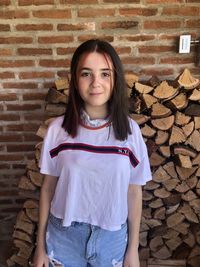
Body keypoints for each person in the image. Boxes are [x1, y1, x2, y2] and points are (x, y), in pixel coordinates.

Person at [33, 39, 152, 267]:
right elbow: (48, 188)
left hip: (112, 240)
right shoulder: (58, 130)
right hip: (64, 238)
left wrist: (133, 250)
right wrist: (40, 247)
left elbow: (134, 192)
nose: (96, 82)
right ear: (75, 80)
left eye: (105, 74)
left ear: (115, 79)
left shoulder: (129, 132)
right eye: (86, 73)